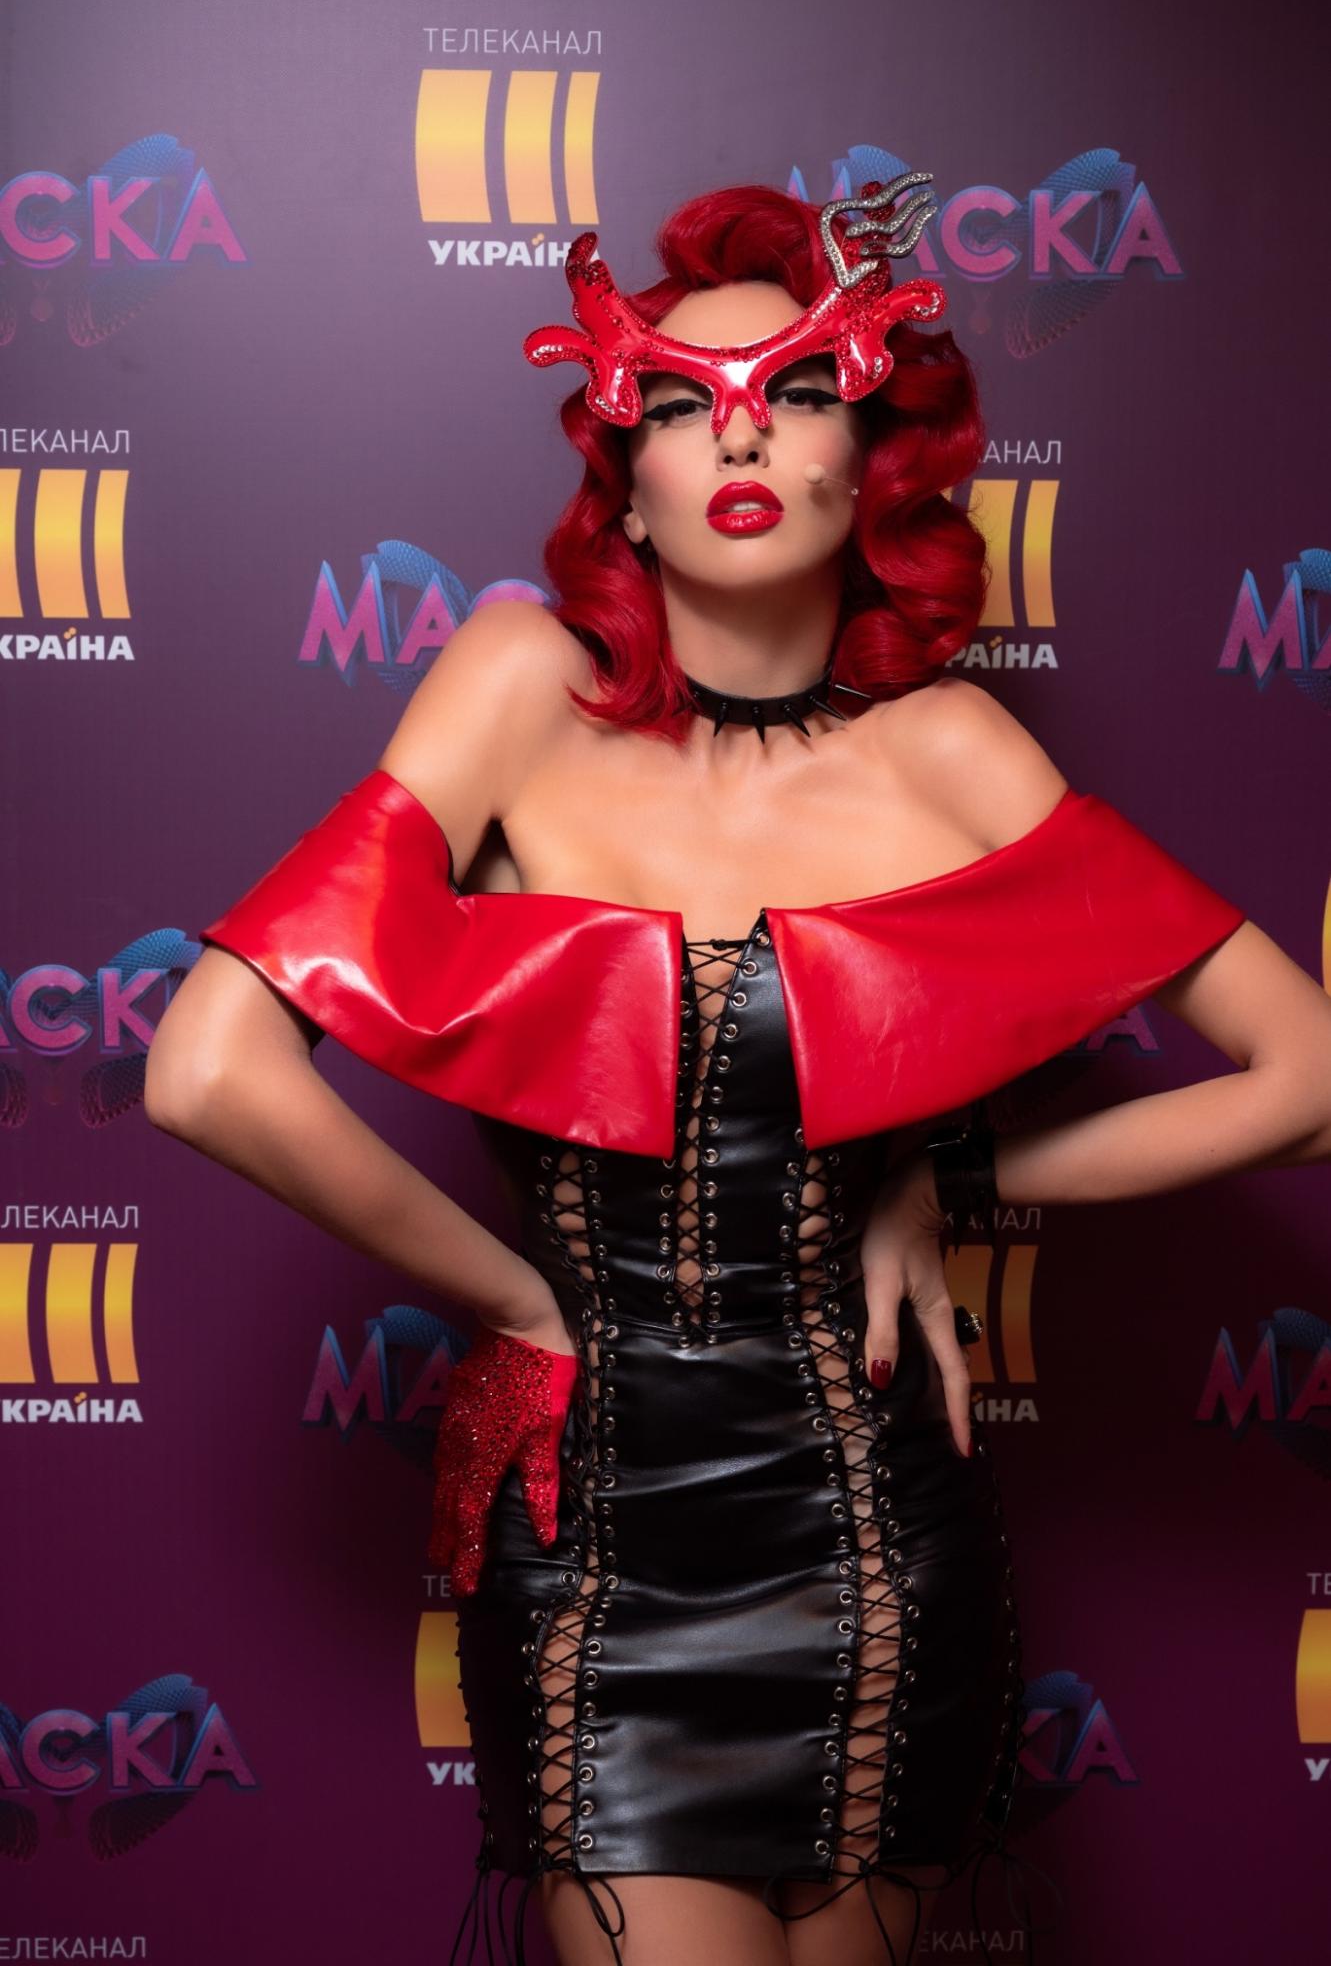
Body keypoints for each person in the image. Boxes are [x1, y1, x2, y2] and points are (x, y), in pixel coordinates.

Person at [144, 175, 1331, 1966]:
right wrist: (521, 1305)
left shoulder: (946, 751)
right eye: (683, 404)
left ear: (876, 462)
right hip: (599, 1551)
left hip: (879, 1548)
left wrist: (957, 1181)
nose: (744, 433)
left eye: (798, 392)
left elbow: (1308, 1072)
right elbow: (209, 1067)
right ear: (624, 482)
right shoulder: (519, 684)